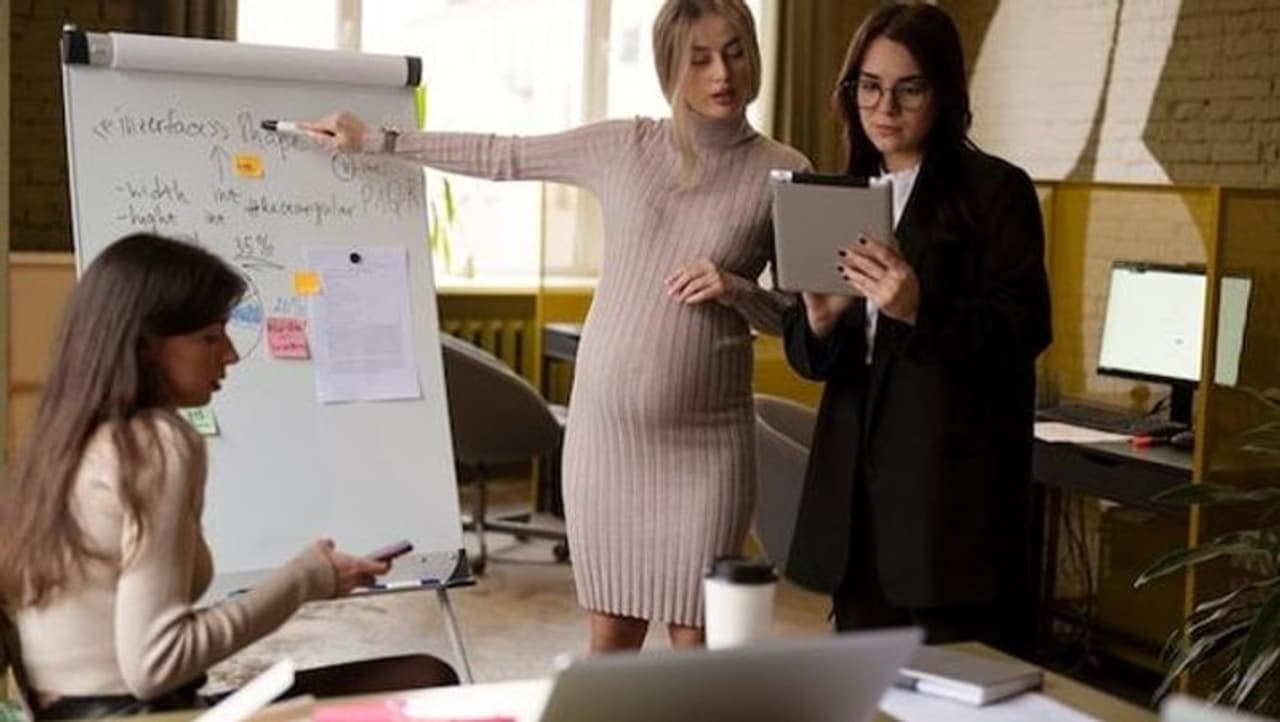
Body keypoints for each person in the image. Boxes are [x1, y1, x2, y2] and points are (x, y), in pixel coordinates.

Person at [301, 0, 810, 652]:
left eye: (735, 52)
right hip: (608, 438)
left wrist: (737, 289)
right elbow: (505, 156)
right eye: (700, 58)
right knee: (612, 635)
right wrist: (379, 140)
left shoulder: (784, 170)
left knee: (697, 638)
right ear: (669, 66)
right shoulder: (625, 145)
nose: (723, 73)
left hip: (708, 445)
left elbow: (797, 323)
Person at [0, 234, 457, 720]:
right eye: (210, 337)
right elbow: (156, 665)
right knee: (427, 682)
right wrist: (302, 580)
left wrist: (314, 578)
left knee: (421, 676)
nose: (231, 354)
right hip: (146, 715)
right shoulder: (154, 445)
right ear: (146, 344)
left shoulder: (61, 445)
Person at [782, 2, 1051, 651]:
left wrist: (919, 310)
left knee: (953, 689)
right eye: (869, 87)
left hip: (947, 515)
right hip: (856, 515)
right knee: (864, 692)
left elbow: (1026, 330)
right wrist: (819, 324)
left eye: (909, 89)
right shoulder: (839, 190)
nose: (885, 108)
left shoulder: (996, 191)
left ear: (944, 92)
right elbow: (808, 354)